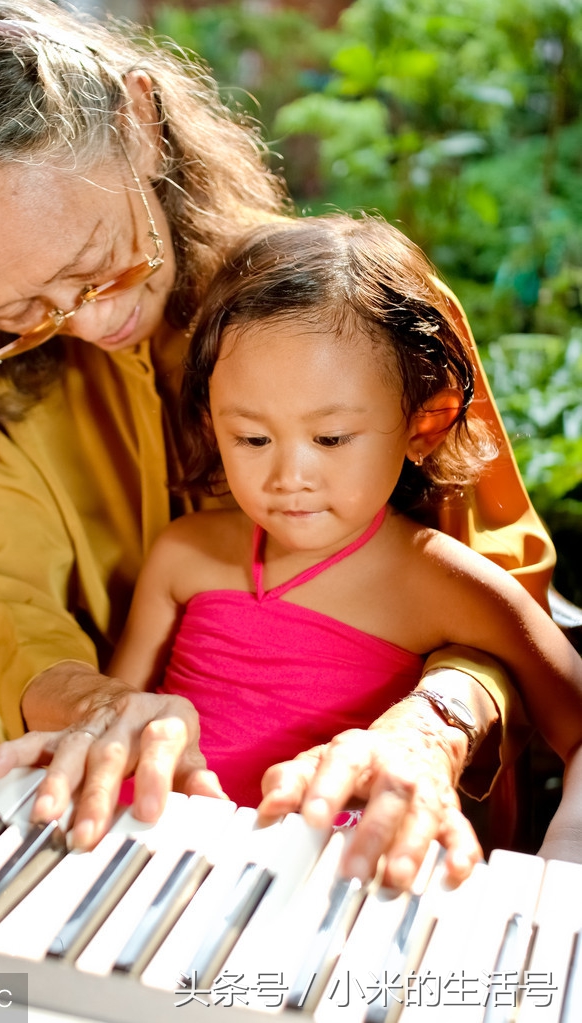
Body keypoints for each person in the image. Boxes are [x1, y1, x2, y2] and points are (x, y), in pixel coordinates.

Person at [0, 0, 557, 889]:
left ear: (139, 122)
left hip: (370, 844)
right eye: (18, 313)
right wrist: (100, 708)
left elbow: (498, 581)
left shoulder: (346, 311)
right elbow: (3, 605)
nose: (95, 322)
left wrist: (432, 722)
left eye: (101, 261)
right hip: (131, 831)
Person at [104, 214, 582, 880]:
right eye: (251, 438)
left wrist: (564, 859)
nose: (288, 476)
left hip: (321, 898)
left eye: (330, 439)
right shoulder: (184, 552)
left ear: (425, 423)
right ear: (211, 420)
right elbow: (113, 721)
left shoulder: (440, 580)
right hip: (138, 863)